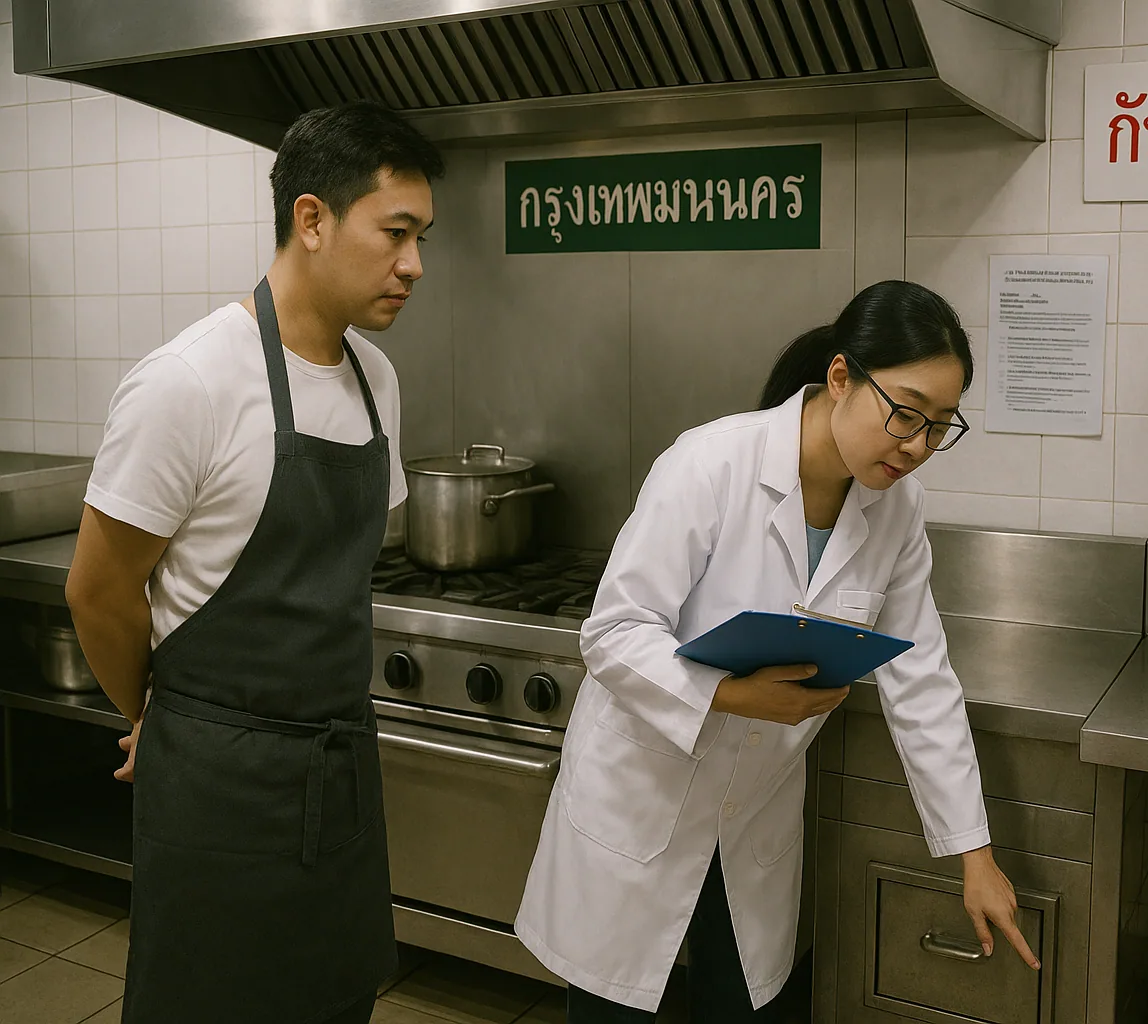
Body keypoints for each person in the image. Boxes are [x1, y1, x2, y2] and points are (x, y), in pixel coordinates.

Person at [515, 280, 1040, 1022]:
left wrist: (973, 854)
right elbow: (613, 633)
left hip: (749, 816)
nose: (917, 446)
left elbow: (920, 678)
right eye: (905, 413)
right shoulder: (709, 466)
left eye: (940, 426)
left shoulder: (895, 510)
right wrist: (731, 694)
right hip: (643, 798)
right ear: (839, 378)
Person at [64, 101, 443, 1024]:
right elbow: (98, 588)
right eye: (395, 233)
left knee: (334, 1001)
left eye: (422, 237)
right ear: (311, 220)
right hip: (217, 790)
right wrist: (163, 715)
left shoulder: (375, 379)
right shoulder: (189, 380)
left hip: (338, 768)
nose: (415, 265)